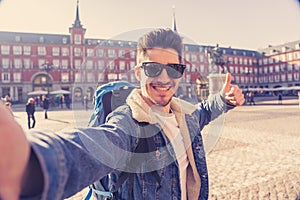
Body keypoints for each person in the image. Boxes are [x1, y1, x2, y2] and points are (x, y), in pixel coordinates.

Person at [0, 28, 245, 200]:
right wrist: (29, 164)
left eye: (174, 69)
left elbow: (202, 113)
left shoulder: (183, 115)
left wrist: (224, 100)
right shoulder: (128, 121)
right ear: (138, 73)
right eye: (153, 68)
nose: (164, 78)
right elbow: (97, 146)